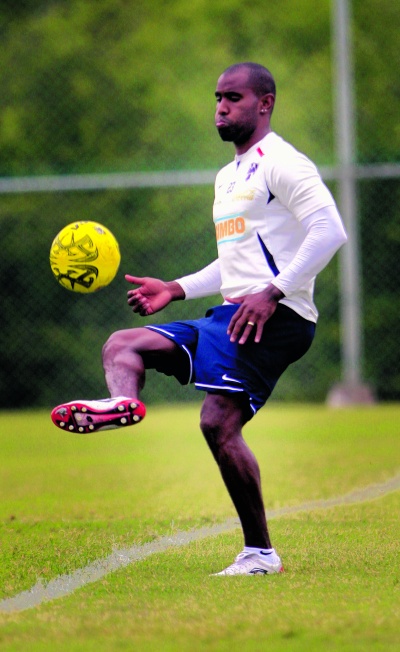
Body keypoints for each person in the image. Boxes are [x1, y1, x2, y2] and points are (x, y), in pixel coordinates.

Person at [51, 62, 347, 576]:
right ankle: (123, 403)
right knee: (123, 345)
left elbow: (330, 230)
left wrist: (273, 292)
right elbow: (234, 261)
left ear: (265, 104)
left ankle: (260, 555)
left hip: (276, 317)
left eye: (233, 97)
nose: (221, 107)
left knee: (218, 422)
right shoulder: (228, 177)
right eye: (217, 98)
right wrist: (175, 288)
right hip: (233, 313)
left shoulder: (283, 163)